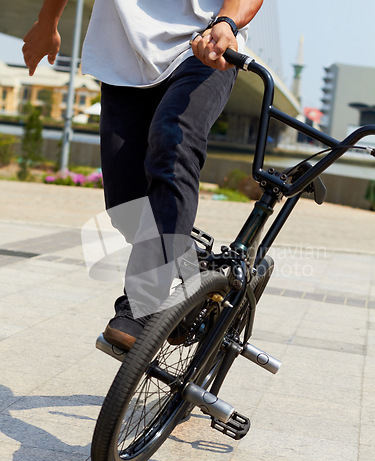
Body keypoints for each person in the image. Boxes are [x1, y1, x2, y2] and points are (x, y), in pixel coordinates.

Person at [23, 0, 264, 352]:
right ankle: (190, 274)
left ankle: (141, 307)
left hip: (206, 47)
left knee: (173, 141)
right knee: (128, 206)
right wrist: (48, 22)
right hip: (123, 55)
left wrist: (227, 23)